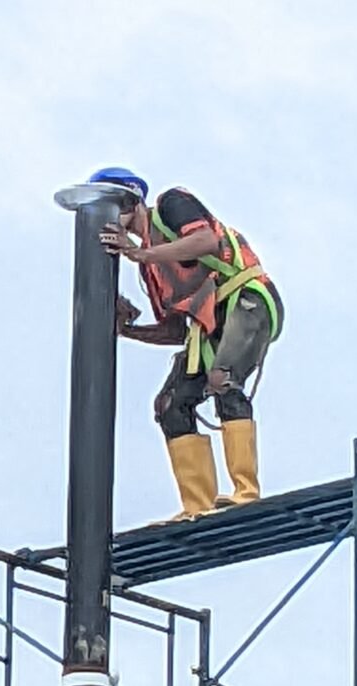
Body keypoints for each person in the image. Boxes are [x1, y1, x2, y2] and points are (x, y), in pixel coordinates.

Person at [90, 167, 284, 521]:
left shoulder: (171, 205)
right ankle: (199, 505)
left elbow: (205, 241)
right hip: (207, 326)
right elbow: (176, 330)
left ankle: (245, 491)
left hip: (245, 297)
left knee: (222, 378)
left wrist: (141, 254)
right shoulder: (150, 269)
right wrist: (127, 329)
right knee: (170, 404)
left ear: (131, 200)